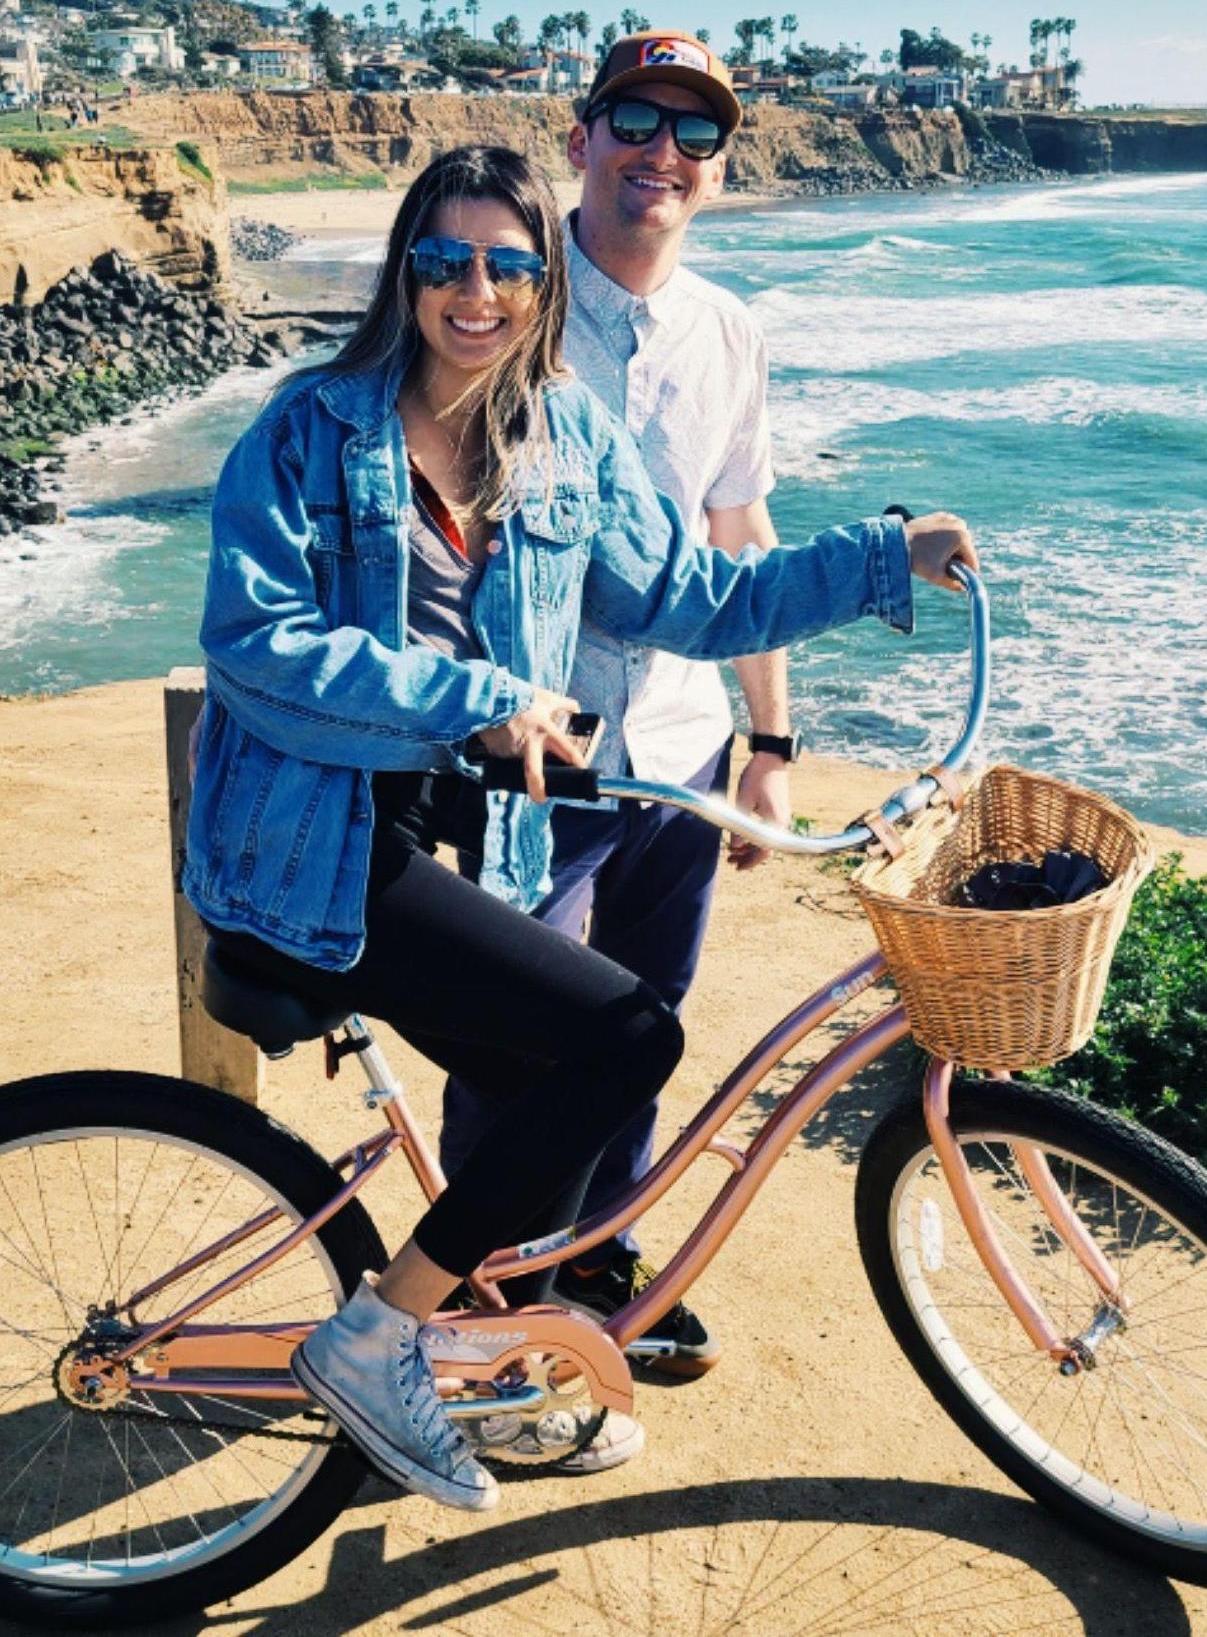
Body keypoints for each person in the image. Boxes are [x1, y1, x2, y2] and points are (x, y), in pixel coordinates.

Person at [187, 144, 977, 1515]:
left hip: (458, 843)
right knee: (629, 1037)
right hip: (312, 845)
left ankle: (478, 1356)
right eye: (445, 261)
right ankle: (376, 1343)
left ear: (544, 281)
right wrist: (478, 700)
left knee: (557, 1077)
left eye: (508, 263)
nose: (475, 291)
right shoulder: (310, 430)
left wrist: (879, 559)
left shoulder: (562, 437)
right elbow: (255, 648)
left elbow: (700, 599)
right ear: (407, 273)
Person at [439, 31, 780, 1379]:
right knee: (519, 1049)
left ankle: (596, 1269)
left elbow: (738, 532)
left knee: (643, 1029)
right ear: (578, 140)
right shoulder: (510, 298)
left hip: (682, 758)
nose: (663, 153)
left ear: (715, 168)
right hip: (534, 764)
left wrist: (772, 741)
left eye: (694, 133)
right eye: (635, 120)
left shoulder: (730, 331)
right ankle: (469, 1308)